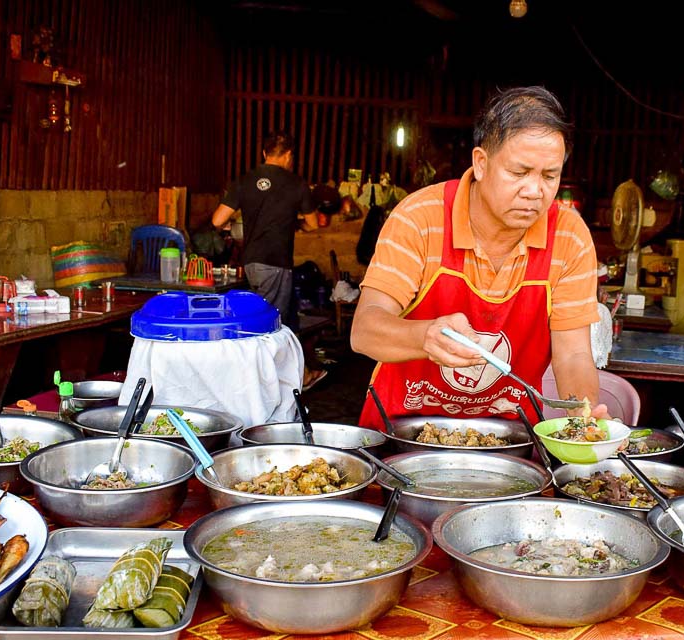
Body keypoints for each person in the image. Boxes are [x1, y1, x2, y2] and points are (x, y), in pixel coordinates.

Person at [350, 86, 606, 429]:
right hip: (401, 428)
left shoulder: (569, 236)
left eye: (549, 176)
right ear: (481, 163)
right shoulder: (420, 217)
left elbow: (573, 354)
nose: (534, 192)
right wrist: (424, 336)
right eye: (519, 172)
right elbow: (364, 330)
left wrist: (584, 420)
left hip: (508, 437)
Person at [211, 131, 325, 391]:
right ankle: (263, 384)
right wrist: (291, 223)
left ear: (264, 154)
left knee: (278, 316)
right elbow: (312, 223)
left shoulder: (245, 180)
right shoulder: (296, 184)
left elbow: (218, 220)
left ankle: (298, 374)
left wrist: (237, 225)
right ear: (288, 156)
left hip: (251, 262)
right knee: (271, 324)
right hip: (276, 262)